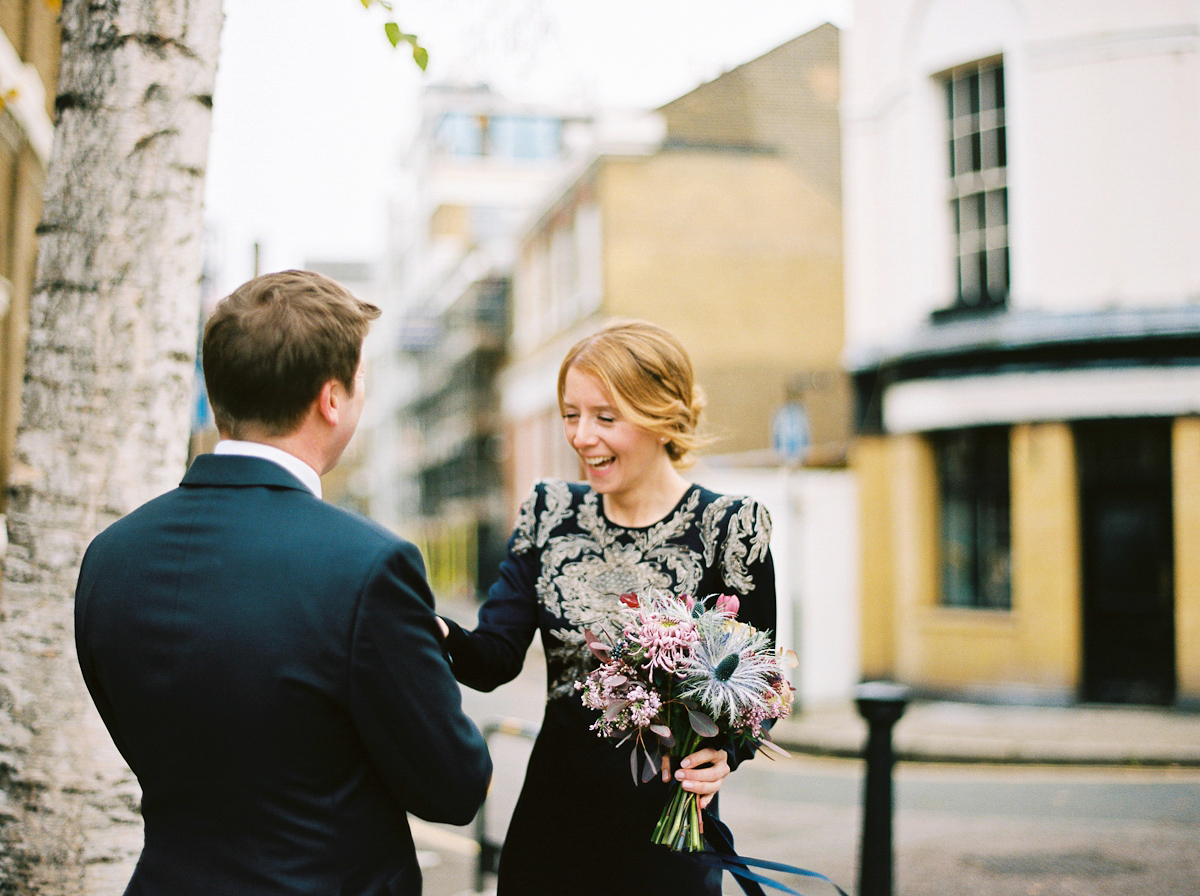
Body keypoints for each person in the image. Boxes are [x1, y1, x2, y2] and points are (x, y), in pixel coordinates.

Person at [75, 270, 492, 896]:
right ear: (331, 398)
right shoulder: (368, 566)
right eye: (360, 385)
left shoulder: (110, 556)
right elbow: (454, 787)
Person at [439, 319, 776, 896]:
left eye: (605, 417)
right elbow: (491, 659)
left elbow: (757, 688)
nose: (581, 436)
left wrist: (725, 753)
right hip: (552, 831)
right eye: (571, 414)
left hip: (667, 842)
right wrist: (427, 626)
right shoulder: (548, 512)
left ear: (660, 415)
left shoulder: (731, 527)